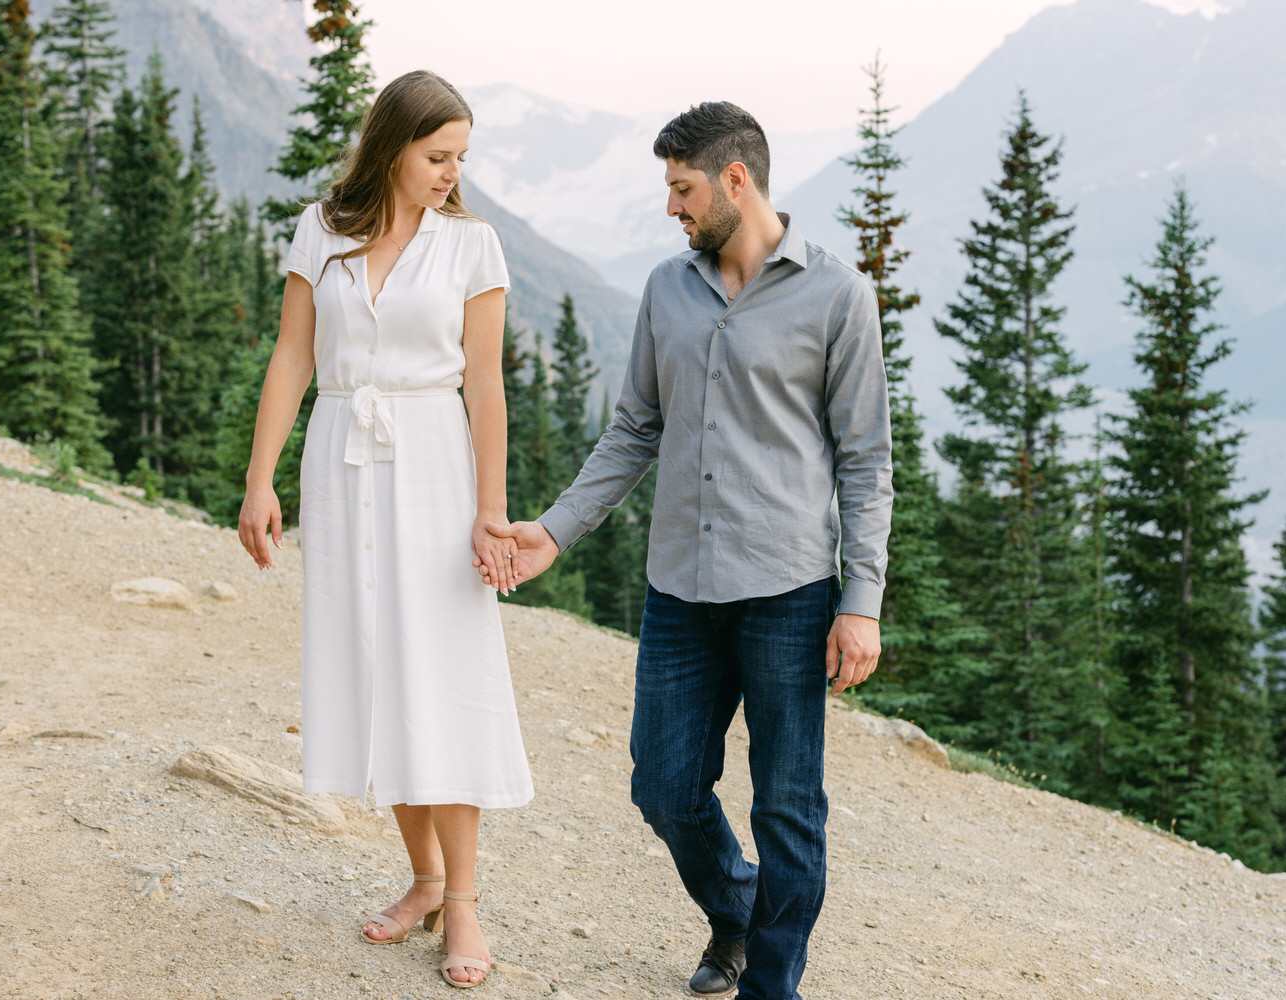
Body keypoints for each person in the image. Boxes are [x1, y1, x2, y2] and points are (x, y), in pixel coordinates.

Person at [486, 102, 892, 1000]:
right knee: (664, 788)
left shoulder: (837, 297)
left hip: (790, 591)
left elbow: (866, 461)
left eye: (682, 188)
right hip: (679, 588)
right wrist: (553, 531)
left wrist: (860, 601)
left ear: (735, 181)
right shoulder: (668, 290)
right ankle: (737, 910)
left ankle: (770, 985)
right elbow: (634, 428)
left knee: (788, 807)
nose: (672, 208)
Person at [238, 69, 532, 990]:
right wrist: (260, 480)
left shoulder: (471, 246)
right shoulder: (322, 229)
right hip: (340, 456)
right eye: (437, 155)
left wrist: (491, 509)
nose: (451, 172)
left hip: (434, 464)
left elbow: (484, 384)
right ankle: (424, 880)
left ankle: (467, 905)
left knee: (439, 674)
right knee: (373, 669)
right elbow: (292, 355)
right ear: (392, 145)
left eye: (461, 159)